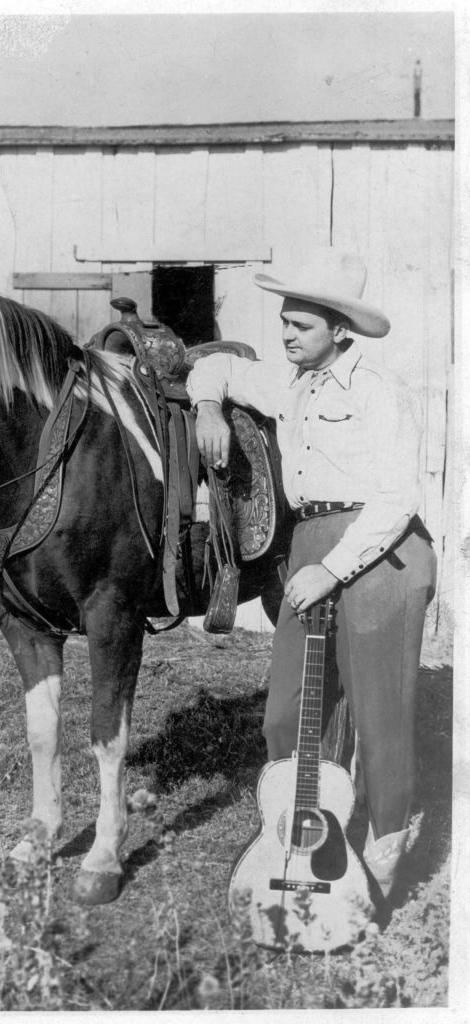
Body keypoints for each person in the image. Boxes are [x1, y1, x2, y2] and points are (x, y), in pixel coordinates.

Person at [186, 248, 437, 905]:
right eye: (283, 321)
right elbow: (215, 365)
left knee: (380, 713)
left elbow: (397, 497)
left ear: (340, 331)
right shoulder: (290, 383)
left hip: (381, 551)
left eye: (300, 325)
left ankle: (384, 850)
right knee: (288, 710)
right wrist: (207, 407)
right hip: (310, 544)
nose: (286, 334)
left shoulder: (379, 391)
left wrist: (330, 568)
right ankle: (305, 828)